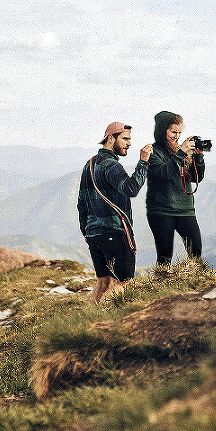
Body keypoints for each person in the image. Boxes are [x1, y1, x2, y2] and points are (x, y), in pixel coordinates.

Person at [77, 122, 152, 302]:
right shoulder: (111, 165)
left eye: (129, 139)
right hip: (114, 232)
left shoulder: (90, 164)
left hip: (94, 234)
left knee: (103, 281)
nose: (129, 143)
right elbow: (131, 189)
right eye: (125, 139)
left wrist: (85, 232)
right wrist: (143, 162)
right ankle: (101, 321)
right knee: (124, 282)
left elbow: (81, 202)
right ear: (111, 138)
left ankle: (89, 320)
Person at [146, 111, 206, 265]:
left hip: (185, 208)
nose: (177, 136)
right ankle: (161, 287)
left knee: (196, 250)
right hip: (161, 210)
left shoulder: (181, 151)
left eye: (179, 132)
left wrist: (198, 156)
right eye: (173, 131)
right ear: (162, 129)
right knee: (165, 256)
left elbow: (195, 177)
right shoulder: (152, 152)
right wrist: (181, 153)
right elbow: (164, 173)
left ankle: (195, 284)